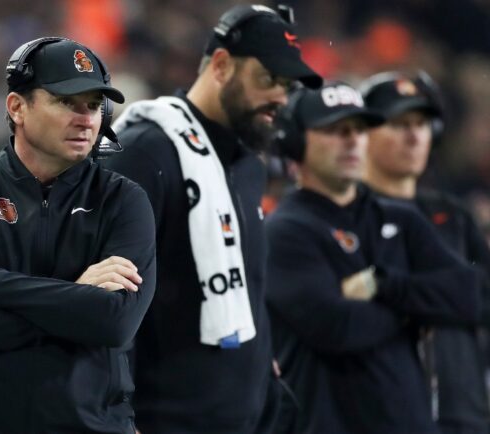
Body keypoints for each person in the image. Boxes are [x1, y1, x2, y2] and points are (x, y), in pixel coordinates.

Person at [0, 37, 156, 434]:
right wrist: (75, 296)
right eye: (66, 102)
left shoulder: (124, 200)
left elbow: (114, 322)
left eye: (94, 105)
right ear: (17, 107)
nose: (86, 118)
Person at [101, 4, 321, 433]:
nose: (281, 97)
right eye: (268, 79)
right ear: (221, 66)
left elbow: (249, 295)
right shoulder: (145, 152)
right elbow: (108, 306)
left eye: (287, 86)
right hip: (166, 418)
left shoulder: (246, 164)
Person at [265, 81, 482, 433]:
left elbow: (467, 295)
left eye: (359, 129)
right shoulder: (285, 231)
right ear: (296, 141)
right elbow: (339, 327)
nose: (352, 140)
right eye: (334, 130)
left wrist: (383, 285)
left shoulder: (400, 218)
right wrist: (418, 309)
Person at [361, 71, 490, 434]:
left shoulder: (451, 215)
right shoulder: (346, 215)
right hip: (379, 417)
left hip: (463, 414)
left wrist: (396, 289)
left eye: (421, 123)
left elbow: (481, 299)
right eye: (399, 123)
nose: (414, 136)